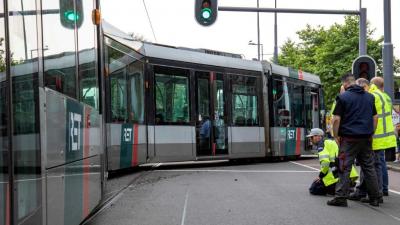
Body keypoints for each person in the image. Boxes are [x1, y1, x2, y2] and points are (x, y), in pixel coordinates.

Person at [327, 73, 380, 207]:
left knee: (344, 167)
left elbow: (337, 119)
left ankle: (340, 197)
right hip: (366, 138)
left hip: (349, 139)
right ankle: (375, 197)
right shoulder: (369, 97)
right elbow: (375, 118)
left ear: (345, 84)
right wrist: (371, 133)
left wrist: (336, 135)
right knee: (369, 167)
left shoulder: (343, 97)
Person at [308, 128, 358, 196]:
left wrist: (320, 176)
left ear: (318, 136)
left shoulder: (322, 145)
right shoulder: (331, 141)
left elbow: (325, 163)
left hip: (336, 177)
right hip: (349, 174)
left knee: (314, 188)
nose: (310, 139)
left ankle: (339, 189)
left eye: (311, 137)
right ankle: (348, 186)